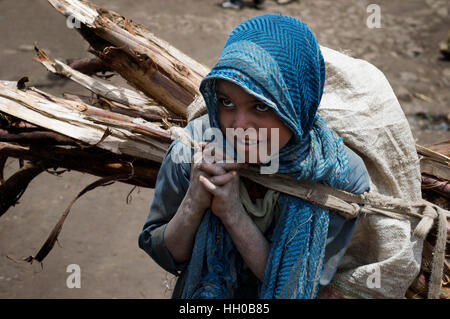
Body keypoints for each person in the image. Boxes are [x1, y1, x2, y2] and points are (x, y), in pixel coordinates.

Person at [139, 14, 371, 299]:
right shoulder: (194, 150)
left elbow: (301, 287)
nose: (239, 125)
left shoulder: (337, 177)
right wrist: (194, 201)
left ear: (296, 106)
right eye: (226, 102)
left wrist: (233, 214)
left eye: (260, 107)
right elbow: (163, 253)